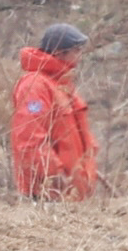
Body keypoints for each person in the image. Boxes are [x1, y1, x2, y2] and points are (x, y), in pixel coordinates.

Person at [8, 20, 98, 200]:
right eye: (76, 50)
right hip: (47, 194)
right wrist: (53, 174)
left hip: (69, 193)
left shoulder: (62, 85)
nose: (80, 55)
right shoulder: (35, 86)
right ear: (59, 53)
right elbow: (29, 138)